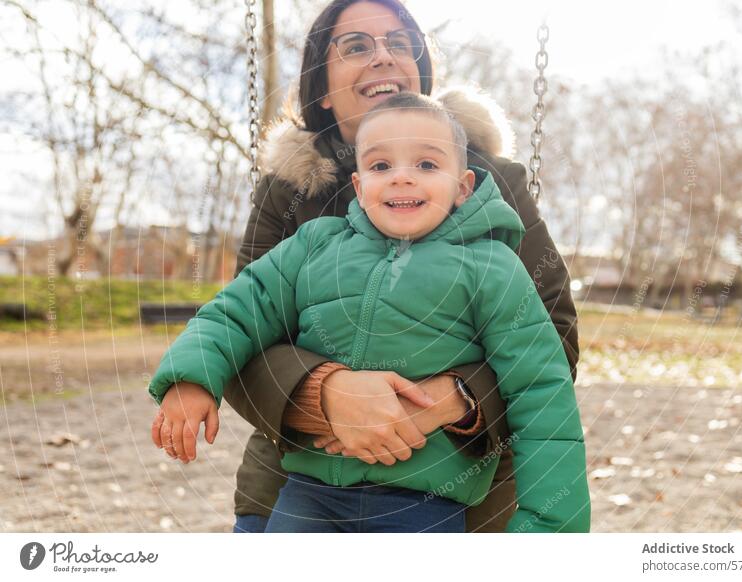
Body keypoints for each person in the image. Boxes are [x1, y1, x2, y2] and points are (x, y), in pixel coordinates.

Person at [150, 0, 580, 533]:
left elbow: (549, 348)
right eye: (356, 46)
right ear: (323, 89)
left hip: (452, 497)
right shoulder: (294, 203)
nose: (382, 56)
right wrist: (322, 393)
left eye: (399, 43)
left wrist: (450, 401)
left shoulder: (495, 194)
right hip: (298, 489)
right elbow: (242, 322)